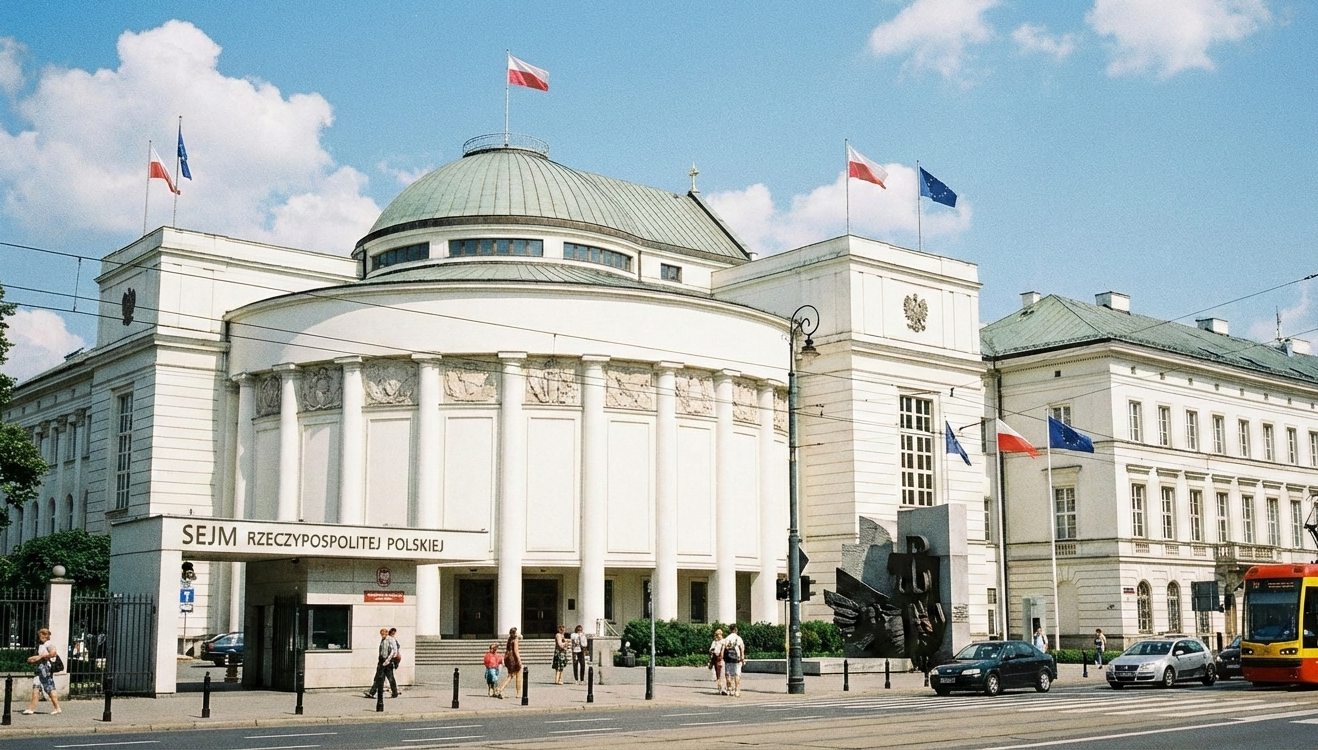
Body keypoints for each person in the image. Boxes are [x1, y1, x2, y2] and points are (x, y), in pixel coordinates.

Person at [24, 628, 62, 715]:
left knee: (49, 688)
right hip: (40, 669)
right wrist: (36, 658)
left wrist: (41, 657)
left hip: (45, 670)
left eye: (42, 635)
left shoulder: (48, 644)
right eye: (40, 635)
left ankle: (57, 708)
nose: (40, 637)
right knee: (37, 687)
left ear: (46, 636)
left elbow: (53, 653)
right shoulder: (42, 645)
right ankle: (31, 708)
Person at [365, 628, 398, 699]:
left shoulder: (390, 639)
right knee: (378, 677)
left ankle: (395, 693)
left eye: (383, 634)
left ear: (386, 633)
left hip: (388, 662)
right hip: (382, 661)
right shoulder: (383, 640)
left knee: (390, 678)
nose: (382, 635)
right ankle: (372, 693)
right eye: (381, 634)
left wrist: (388, 660)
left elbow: (393, 651)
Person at [496, 627, 522, 699]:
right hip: (513, 658)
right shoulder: (515, 640)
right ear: (514, 633)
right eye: (516, 632)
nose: (517, 633)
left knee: (510, 675)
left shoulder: (509, 639)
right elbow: (516, 651)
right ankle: (518, 693)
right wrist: (519, 660)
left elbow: (507, 649)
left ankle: (500, 689)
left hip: (508, 658)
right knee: (517, 675)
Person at [721, 624, 745, 697]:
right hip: (737, 658)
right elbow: (741, 648)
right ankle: (736, 690)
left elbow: (723, 649)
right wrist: (742, 657)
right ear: (735, 630)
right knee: (737, 674)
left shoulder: (727, 638)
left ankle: (729, 689)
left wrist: (722, 658)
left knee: (728, 674)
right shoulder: (738, 638)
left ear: (730, 630)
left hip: (728, 659)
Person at [708, 627, 726, 694]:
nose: (718, 636)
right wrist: (712, 651)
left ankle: (722, 688)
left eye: (719, 634)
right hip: (717, 659)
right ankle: (721, 688)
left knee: (721, 674)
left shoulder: (723, 641)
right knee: (719, 674)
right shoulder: (715, 642)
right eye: (717, 635)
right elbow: (710, 650)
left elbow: (725, 650)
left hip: (720, 659)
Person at [388, 627, 403, 691]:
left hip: (393, 659)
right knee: (390, 674)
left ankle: (393, 688)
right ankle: (393, 688)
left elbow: (395, 649)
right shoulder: (390, 639)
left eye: (394, 633)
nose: (393, 634)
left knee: (390, 674)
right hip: (391, 659)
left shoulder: (393, 639)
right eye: (393, 633)